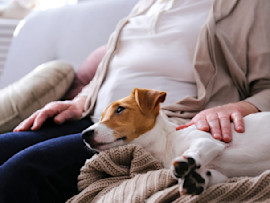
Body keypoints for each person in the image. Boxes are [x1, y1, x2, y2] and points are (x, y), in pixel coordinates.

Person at [1, 0, 270, 202]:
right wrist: (79, 102)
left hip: (156, 128)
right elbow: (115, 68)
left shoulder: (248, 5)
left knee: (20, 172)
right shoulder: (149, 3)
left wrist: (237, 107)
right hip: (94, 116)